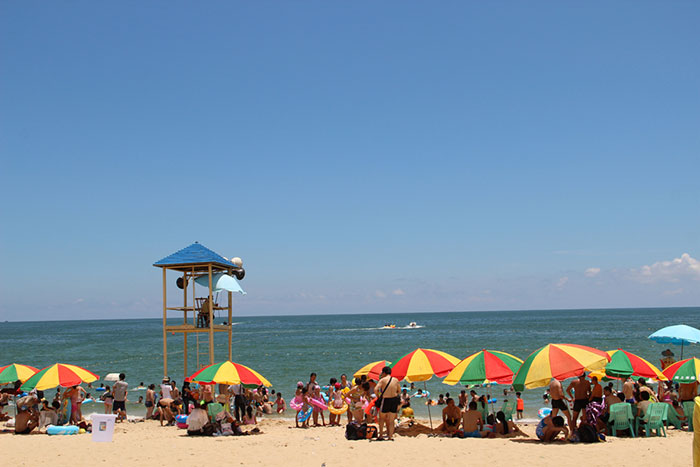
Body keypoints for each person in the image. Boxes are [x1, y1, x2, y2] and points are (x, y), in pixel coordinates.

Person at [374, 366, 401, 441]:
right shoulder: (396, 380)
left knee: (382, 418)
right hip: (394, 400)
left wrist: (378, 396)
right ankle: (390, 436)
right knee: (391, 420)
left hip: (386, 399)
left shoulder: (382, 380)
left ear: (384, 373)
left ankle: (381, 435)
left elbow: (376, 389)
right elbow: (399, 391)